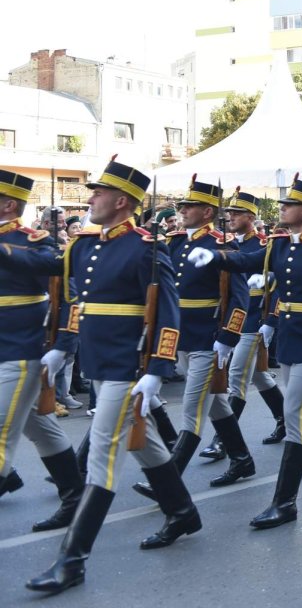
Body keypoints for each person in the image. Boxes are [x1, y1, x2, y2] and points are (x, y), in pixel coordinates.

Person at [2, 159, 200, 594]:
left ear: (121, 201)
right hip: (97, 361)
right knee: (146, 446)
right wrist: (61, 347)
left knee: (103, 455)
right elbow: (75, 303)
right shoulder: (82, 246)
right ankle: (183, 511)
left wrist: (157, 370)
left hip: (128, 364)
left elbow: (167, 313)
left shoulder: (147, 247)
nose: (89, 198)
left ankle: (71, 560)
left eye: (96, 192)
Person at [190, 176, 302, 527]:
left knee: (295, 414)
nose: (282, 209)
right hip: (290, 336)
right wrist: (215, 257)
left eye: (288, 205)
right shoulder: (279, 244)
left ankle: (285, 503)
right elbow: (249, 261)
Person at [131, 178, 254, 500]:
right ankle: (242, 459)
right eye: (182, 206)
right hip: (179, 336)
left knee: (192, 408)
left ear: (207, 212)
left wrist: (227, 337)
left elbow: (240, 299)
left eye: (189, 206)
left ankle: (167, 483)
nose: (182, 211)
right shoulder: (171, 242)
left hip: (206, 337)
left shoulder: (222, 245)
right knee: (216, 404)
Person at [0, 170, 86, 533]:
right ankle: (75, 496)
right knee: (41, 428)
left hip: (18, 350)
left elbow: (70, 291)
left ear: (7, 204)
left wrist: (64, 345)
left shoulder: (34, 241)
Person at [212, 190, 287, 446]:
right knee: (258, 376)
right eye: (229, 212)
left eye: (236, 213)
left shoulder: (265, 245)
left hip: (254, 318)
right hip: (233, 318)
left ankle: (223, 439)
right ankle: (283, 418)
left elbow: (280, 288)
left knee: (235, 376)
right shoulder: (230, 244)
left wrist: (271, 320)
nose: (230, 216)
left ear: (251, 216)